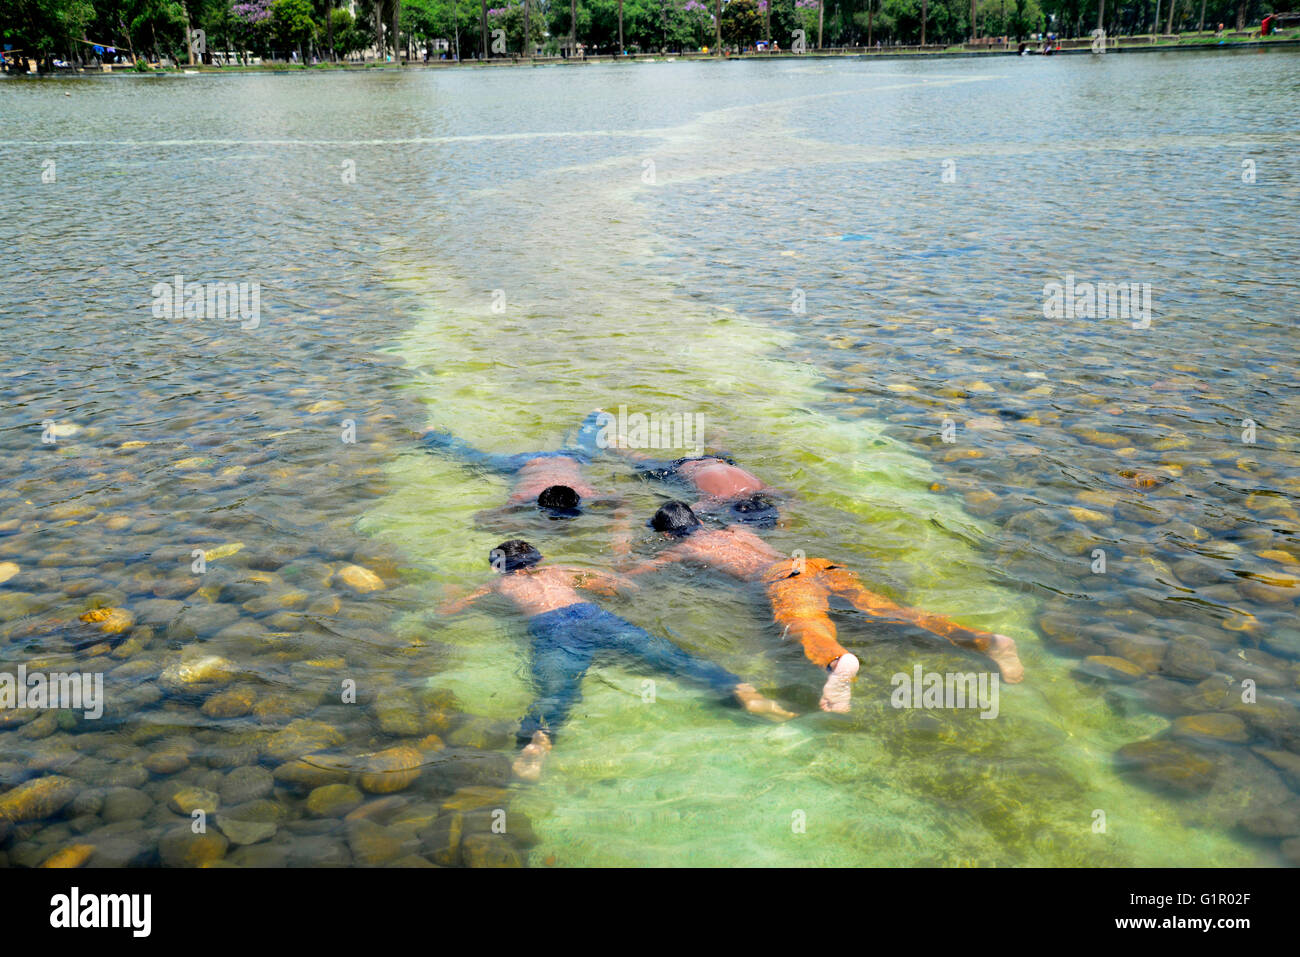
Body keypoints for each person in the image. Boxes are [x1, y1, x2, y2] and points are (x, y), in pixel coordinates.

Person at [439, 539, 793, 781]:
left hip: (550, 629)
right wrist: (630, 591)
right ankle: (743, 691)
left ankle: (540, 741)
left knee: (555, 689)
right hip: (592, 615)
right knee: (670, 658)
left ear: (498, 569)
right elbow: (613, 584)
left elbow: (450, 610)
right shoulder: (559, 571)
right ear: (539, 561)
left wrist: (450, 599)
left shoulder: (497, 586)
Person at [623, 502, 1024, 713]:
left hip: (782, 579)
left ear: (664, 534)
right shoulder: (735, 529)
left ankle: (838, 662)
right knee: (888, 609)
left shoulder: (685, 549)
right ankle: (986, 641)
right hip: (812, 562)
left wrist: (618, 534)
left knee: (803, 622)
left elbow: (629, 574)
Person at [420, 411, 618, 520]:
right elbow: (483, 518)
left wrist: (517, 520)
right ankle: (595, 417)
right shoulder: (585, 492)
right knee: (473, 457)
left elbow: (484, 518)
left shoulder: (525, 497)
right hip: (550, 460)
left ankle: (431, 435)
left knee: (472, 457)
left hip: (550, 460)